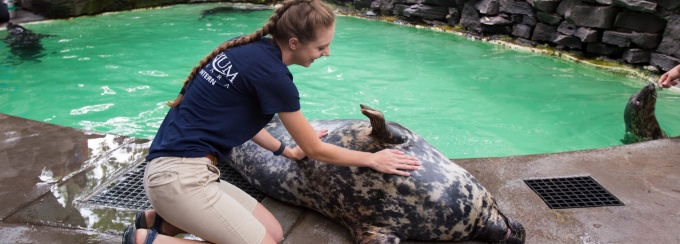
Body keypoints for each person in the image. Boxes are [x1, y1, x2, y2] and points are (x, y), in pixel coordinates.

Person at [121, 0, 421, 243]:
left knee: (274, 234)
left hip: (182, 170)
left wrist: (287, 152)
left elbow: (241, 120)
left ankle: (161, 220)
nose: (326, 53)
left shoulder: (243, 49)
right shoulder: (274, 76)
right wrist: (373, 160)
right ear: (294, 42)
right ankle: (145, 240)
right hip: (179, 179)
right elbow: (316, 149)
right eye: (321, 47)